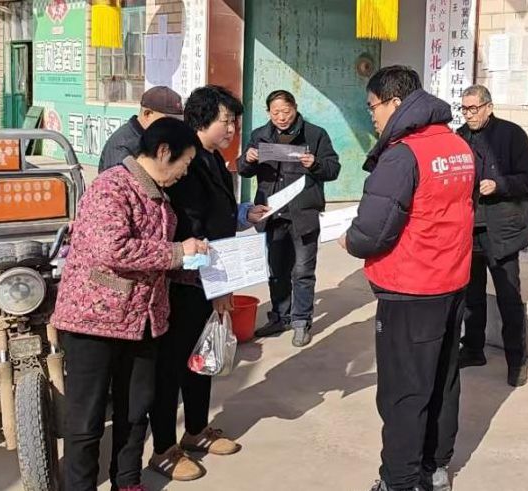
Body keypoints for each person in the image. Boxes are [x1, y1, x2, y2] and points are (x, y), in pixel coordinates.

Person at [51, 118, 207, 491]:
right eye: (185, 163)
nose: (185, 173)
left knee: (136, 410)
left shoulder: (159, 196)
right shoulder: (111, 187)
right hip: (94, 320)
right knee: (86, 420)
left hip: (143, 320)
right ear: (164, 152)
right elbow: (112, 249)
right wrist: (177, 252)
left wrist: (203, 267)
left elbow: (157, 261)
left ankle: (127, 481)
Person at [341, 65, 475, 491]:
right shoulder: (457, 144)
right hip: (452, 282)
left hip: (411, 288)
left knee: (403, 392)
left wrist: (350, 239)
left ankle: (399, 480)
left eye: (373, 107)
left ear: (395, 103)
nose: (372, 117)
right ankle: (435, 467)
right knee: (442, 380)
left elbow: (372, 232)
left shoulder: (403, 154)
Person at [148, 85, 269, 481]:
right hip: (183, 279)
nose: (232, 129)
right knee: (170, 367)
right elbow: (189, 227)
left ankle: (197, 429)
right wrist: (215, 281)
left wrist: (243, 215)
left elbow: (218, 215)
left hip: (212, 273)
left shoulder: (215, 158)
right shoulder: (184, 163)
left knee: (202, 357)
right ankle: (163, 448)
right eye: (226, 121)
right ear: (201, 121)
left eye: (234, 122)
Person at [238, 89, 341, 347]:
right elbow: (243, 170)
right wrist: (248, 159)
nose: (281, 118)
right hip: (272, 215)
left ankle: (301, 322)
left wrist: (314, 163)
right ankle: (280, 317)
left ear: (295, 108)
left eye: (286, 111)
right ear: (268, 113)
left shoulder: (315, 135)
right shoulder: (260, 136)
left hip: (303, 214)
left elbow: (333, 169)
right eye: (275, 113)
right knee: (276, 271)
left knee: (303, 271)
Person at [455, 84, 528, 387]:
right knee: (471, 296)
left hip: (502, 229)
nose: (468, 114)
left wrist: (499, 185)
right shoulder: (459, 137)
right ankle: (473, 349)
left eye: (474, 108)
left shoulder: (512, 135)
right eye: (464, 109)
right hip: (470, 228)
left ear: (489, 107)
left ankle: (516, 361)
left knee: (508, 296)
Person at [98, 86, 184, 173]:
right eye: (168, 121)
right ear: (148, 114)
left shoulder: (153, 140)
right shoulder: (122, 147)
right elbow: (116, 180)